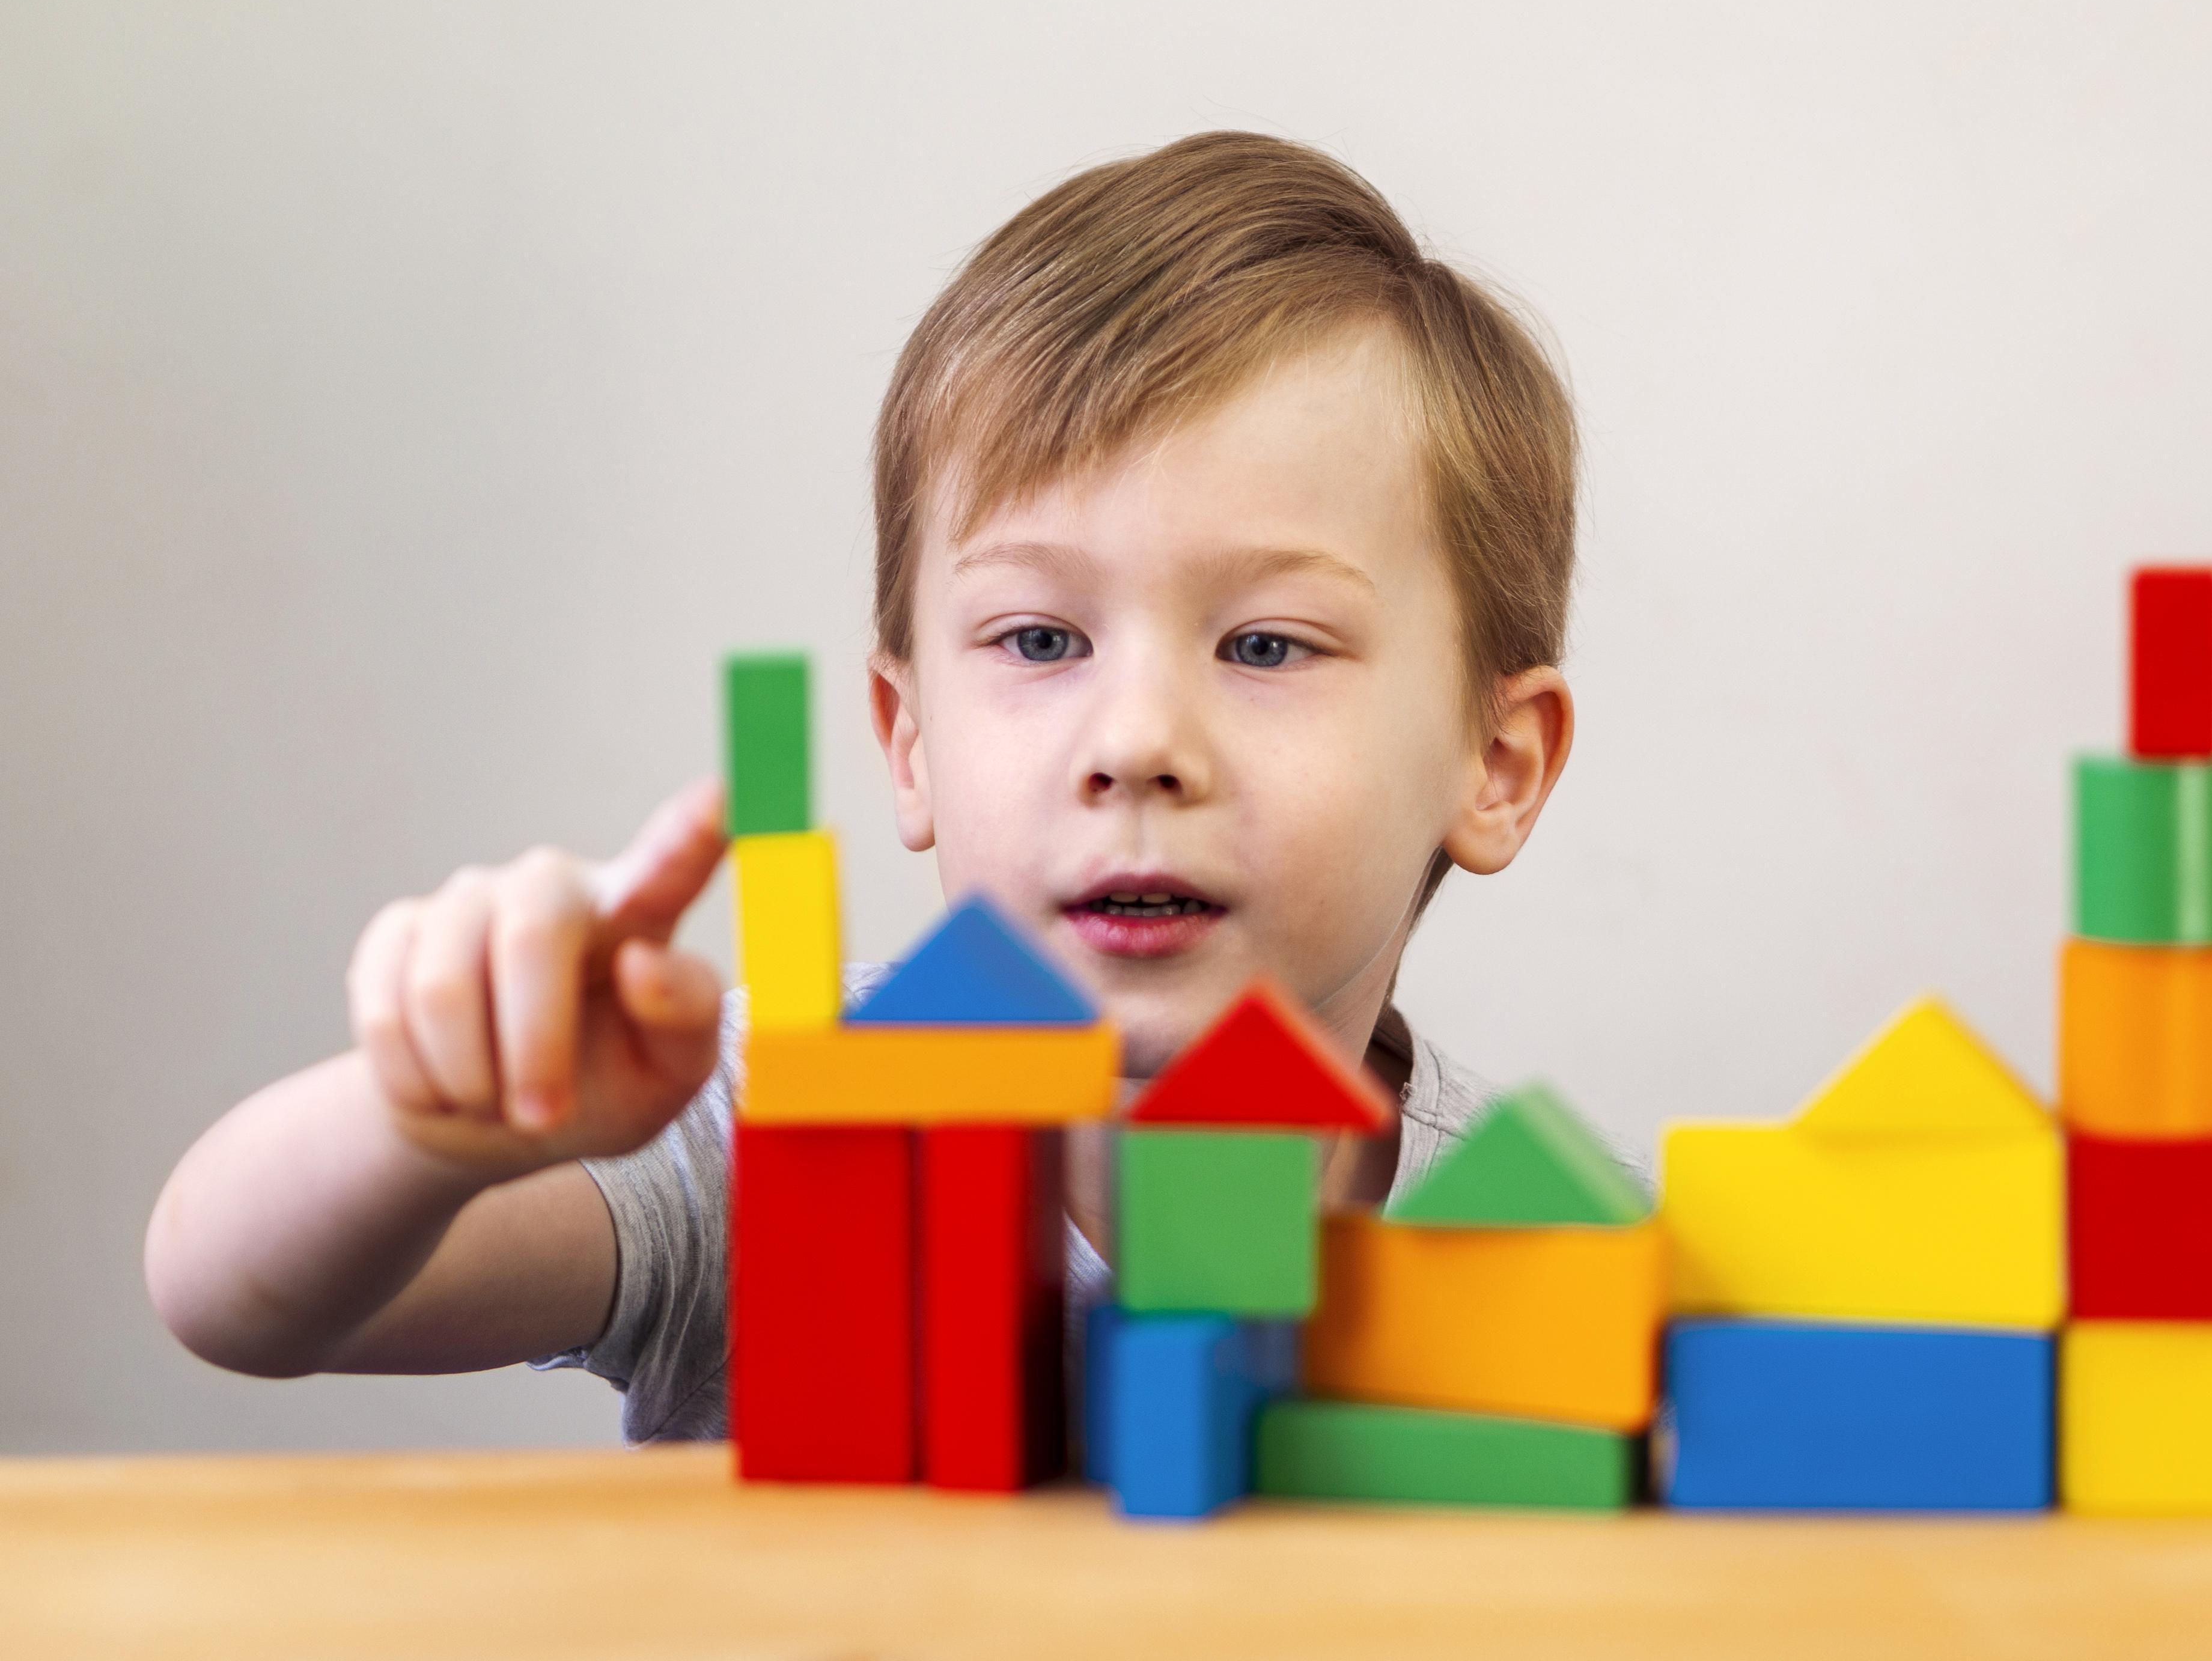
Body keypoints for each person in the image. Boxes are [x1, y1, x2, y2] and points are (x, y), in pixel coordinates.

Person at [144, 132, 1585, 1442]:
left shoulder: (1531, 1253)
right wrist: (431, 1123)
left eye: (1266, 643)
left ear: (1496, 767)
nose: (1135, 741)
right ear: (909, 743)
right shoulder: (769, 1128)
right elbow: (234, 1295)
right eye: (1039, 639)